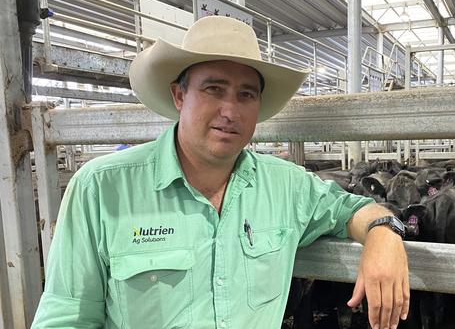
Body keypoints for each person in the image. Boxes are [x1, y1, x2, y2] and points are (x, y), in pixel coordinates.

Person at [32, 16, 409, 329]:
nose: (231, 111)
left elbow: (354, 208)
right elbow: (67, 318)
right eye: (214, 89)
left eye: (247, 95)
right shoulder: (101, 188)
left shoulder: (287, 185)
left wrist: (384, 236)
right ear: (180, 96)